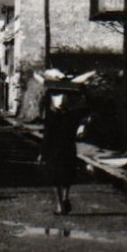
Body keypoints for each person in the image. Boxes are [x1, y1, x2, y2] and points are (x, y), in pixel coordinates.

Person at [39, 84, 89, 215]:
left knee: (55, 177)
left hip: (54, 149)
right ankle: (65, 198)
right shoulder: (72, 115)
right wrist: (83, 91)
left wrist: (42, 153)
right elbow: (86, 108)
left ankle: (60, 204)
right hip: (68, 147)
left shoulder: (51, 116)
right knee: (67, 174)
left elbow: (47, 135)